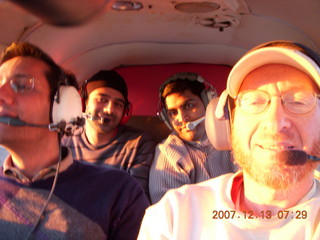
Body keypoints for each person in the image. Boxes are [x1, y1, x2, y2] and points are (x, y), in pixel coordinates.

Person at [138, 41, 320, 239]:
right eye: (254, 102)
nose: (275, 123)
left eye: (299, 101)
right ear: (229, 120)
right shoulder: (172, 216)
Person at [0, 41, 149, 239]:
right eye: (102, 99)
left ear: (64, 109)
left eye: (21, 85)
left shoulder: (121, 191)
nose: (1, 94)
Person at [63, 70, 157, 200]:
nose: (109, 110)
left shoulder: (139, 144)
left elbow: (135, 204)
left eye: (118, 104)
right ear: (84, 103)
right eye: (102, 99)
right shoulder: (63, 139)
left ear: (125, 112)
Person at [149, 72, 237, 203]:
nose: (182, 118)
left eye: (189, 106)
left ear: (208, 103)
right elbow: (170, 213)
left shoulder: (234, 138)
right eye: (173, 112)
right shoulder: (169, 153)